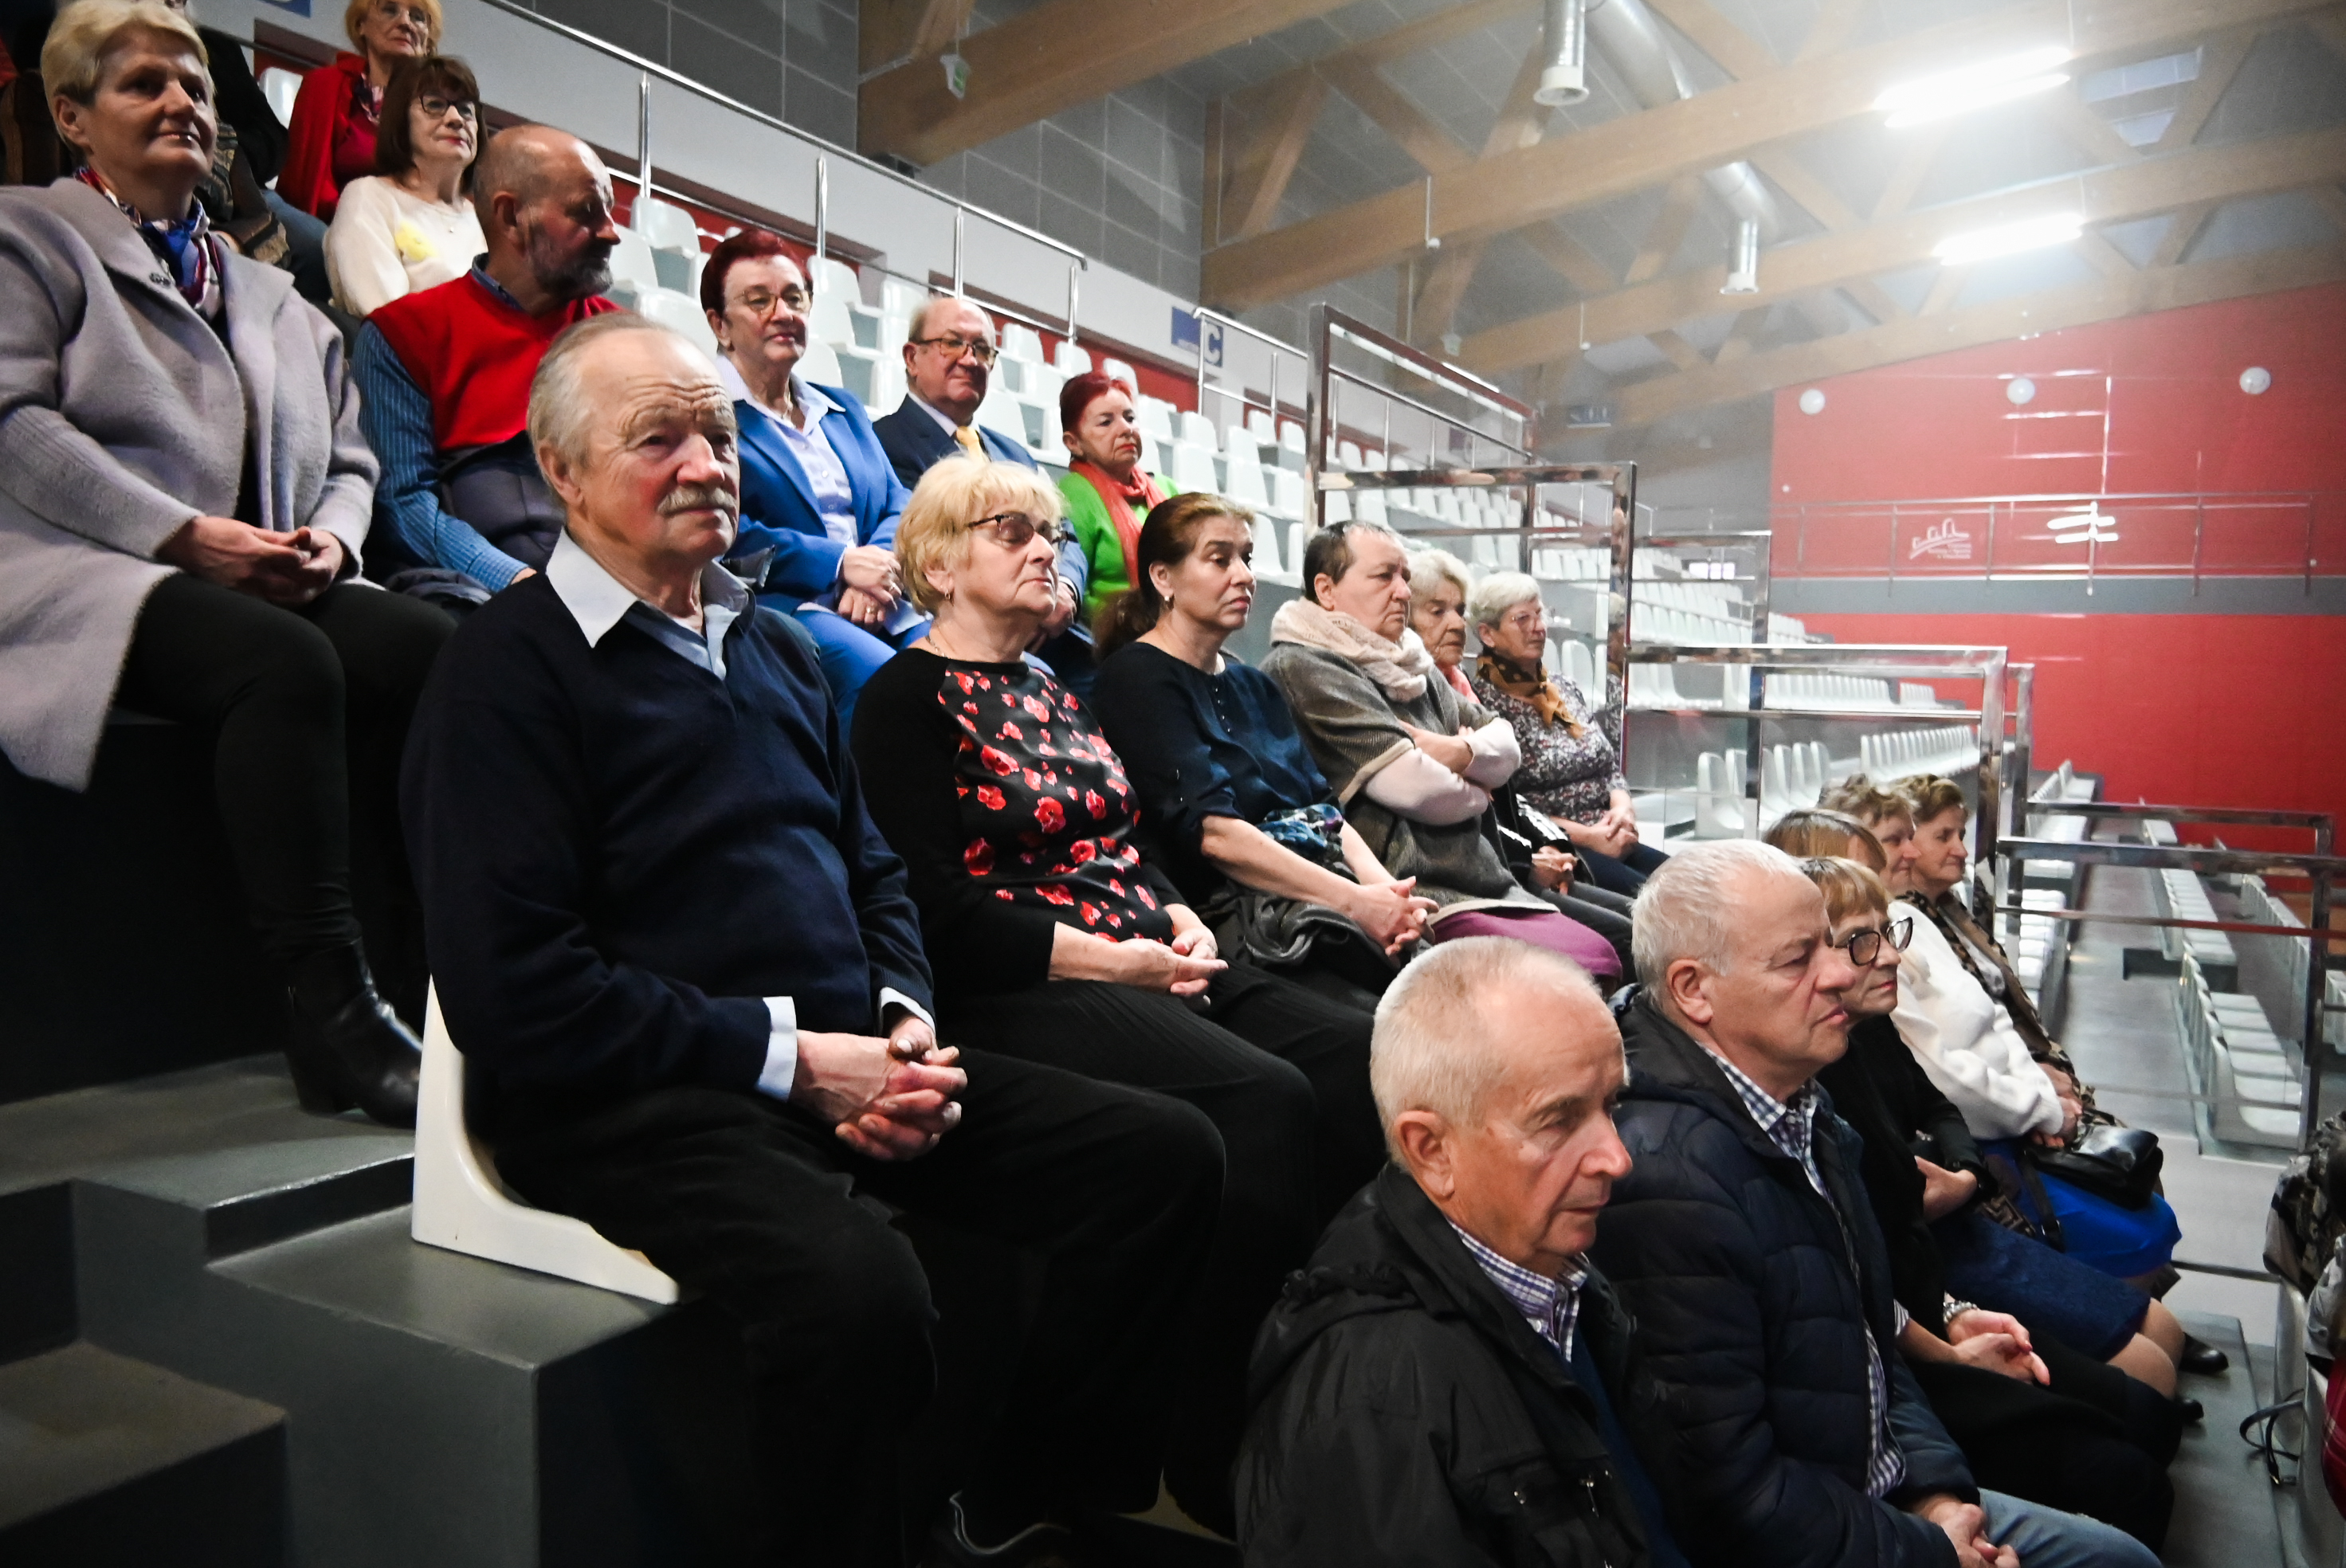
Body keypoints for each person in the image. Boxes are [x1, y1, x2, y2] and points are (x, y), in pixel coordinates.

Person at [400, 313, 1223, 1568]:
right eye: (658, 440)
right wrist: (798, 1063)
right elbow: (517, 993)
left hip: (849, 1059)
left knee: (1165, 1160)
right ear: (559, 470)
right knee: (860, 1298)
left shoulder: (776, 648)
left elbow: (876, 874)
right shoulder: (502, 673)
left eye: (719, 436)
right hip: (642, 1097)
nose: (705, 465)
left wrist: (903, 1021)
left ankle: (1022, 1498)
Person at [849, 457, 1386, 1538]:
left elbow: (1124, 841)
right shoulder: (904, 700)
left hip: (1143, 949)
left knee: (1354, 1063)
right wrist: (1122, 961)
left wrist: (1177, 916)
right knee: (1265, 1100)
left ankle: (1319, 1373)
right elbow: (937, 912)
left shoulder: (1052, 686)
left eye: (1050, 533)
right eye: (1011, 532)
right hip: (1020, 980)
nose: (1045, 550)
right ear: (940, 565)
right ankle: (1206, 1432)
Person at [1, 0, 450, 1126]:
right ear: (71, 116)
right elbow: (15, 424)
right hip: (84, 564)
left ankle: (425, 983)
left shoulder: (275, 292)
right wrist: (182, 536)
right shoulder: (26, 237)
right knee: (283, 663)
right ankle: (330, 1011)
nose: (181, 105)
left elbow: (352, 459)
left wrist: (334, 540)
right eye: (142, 85)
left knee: (432, 648)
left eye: (196, 88)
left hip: (266, 564)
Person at [1593, 839, 2163, 1568]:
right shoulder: (1665, 1184)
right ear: (1694, 990)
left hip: (1889, 1496)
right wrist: (1926, 1547)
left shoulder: (1803, 1105)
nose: (1841, 973)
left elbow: (1868, 1352)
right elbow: (1732, 1496)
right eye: (1798, 959)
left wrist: (1938, 1496)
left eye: (1832, 945)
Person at [1238, 938, 1691, 1568]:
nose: (1616, 1158)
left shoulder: (1560, 1276)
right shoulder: (1377, 1407)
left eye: (1610, 1106)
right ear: (1431, 1150)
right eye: (1558, 1121)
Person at [1786, 848, 2182, 1547]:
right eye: (1859, 941)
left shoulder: (1865, 1035)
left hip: (1938, 1283)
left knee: (2150, 1406)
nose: (1889, 957)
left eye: (1887, 932)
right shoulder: (1803, 1096)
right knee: (2137, 1450)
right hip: (1919, 1327)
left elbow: (1939, 1111)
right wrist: (1946, 1342)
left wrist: (1962, 1181)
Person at [1799, 792, 2202, 1382]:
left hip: (1969, 1184)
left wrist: (1982, 1155)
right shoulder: (1834, 1045)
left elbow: (1987, 1030)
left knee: (2157, 1320)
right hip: (1957, 1209)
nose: (1905, 856)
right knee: (2146, 1365)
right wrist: (2037, 1112)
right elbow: (1928, 1122)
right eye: (1889, 845)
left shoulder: (1899, 966)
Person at [1089, 494, 1435, 1005]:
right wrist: (1357, 902)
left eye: (1246, 558)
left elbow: (1324, 812)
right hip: (1236, 915)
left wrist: (1387, 894)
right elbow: (1216, 837)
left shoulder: (1254, 683)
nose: (1245, 576)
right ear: (1163, 578)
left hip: (1318, 895)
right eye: (1220, 559)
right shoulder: (1138, 678)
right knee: (1382, 1022)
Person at [1261, 521, 1620, 979]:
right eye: (1384, 576)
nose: (1402, 592)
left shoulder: (1412, 661)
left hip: (1488, 877)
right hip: (1420, 892)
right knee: (1593, 965)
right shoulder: (1305, 665)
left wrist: (1454, 754)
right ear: (1326, 590)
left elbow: (1506, 745)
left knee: (1613, 951)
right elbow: (1417, 789)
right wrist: (1479, 788)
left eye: (1405, 577)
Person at [1892, 774, 2186, 1296]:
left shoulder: (1948, 912)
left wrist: (2043, 1080)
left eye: (1962, 834)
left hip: (2021, 1087)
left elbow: (2001, 1017)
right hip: (1992, 1117)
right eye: (1943, 836)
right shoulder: (1904, 930)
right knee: (2124, 1191)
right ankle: (2123, 1310)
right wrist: (2039, 1102)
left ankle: (2136, 1304)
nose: (1961, 850)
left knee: (2131, 1162)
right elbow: (1950, 1062)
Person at [354, 123, 619, 604]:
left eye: (610, 211)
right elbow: (404, 505)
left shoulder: (626, 340)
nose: (611, 232)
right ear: (511, 216)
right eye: (586, 212)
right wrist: (522, 586)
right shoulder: (405, 334)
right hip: (487, 595)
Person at [698, 231, 921, 726]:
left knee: (962, 666)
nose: (783, 313)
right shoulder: (706, 413)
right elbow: (723, 528)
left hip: (878, 597)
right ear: (720, 325)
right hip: (778, 603)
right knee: (882, 681)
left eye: (794, 298)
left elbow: (897, 500)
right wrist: (839, 564)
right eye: (759, 301)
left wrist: (873, 571)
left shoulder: (842, 407)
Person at [1408, 547, 1638, 975]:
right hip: (1480, 871)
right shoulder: (1454, 695)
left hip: (1547, 845)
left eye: (1458, 610)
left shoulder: (1467, 689)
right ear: (1489, 634)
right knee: (1628, 931)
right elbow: (1474, 800)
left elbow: (1508, 793)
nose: (1456, 624)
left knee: (1666, 894)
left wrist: (1619, 809)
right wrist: (1550, 849)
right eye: (1438, 611)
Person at [870, 292, 1089, 686]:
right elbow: (921, 542)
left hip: (1051, 630)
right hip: (951, 626)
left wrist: (1066, 586)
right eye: (952, 343)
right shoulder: (883, 442)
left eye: (983, 349)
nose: (970, 360)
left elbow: (1065, 532)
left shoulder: (1013, 452)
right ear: (912, 358)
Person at [1467, 567, 1665, 896]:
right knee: (1652, 901)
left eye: (1540, 615)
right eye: (1522, 619)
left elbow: (1608, 767)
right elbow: (1512, 806)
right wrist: (1590, 837)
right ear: (1488, 634)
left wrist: (1623, 810)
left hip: (1611, 831)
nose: (1539, 628)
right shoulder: (1482, 704)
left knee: (1695, 883)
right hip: (1560, 845)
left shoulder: (1564, 688)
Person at [322, 52, 480, 317]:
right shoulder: (368, 197)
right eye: (435, 105)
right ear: (401, 120)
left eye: (466, 110)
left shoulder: (486, 223)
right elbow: (384, 319)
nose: (456, 119)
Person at [277, 0, 431, 222]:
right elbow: (300, 188)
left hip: (412, 232)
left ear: (428, 41)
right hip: (331, 226)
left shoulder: (440, 110)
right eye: (390, 10)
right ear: (361, 25)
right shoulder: (322, 85)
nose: (405, 23)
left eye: (417, 17)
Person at [1057, 370, 1178, 626]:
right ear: (1073, 443)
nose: (1126, 429)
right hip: (1104, 637)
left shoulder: (1166, 488)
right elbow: (1071, 589)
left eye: (1130, 418)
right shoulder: (1073, 493)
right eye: (1106, 422)